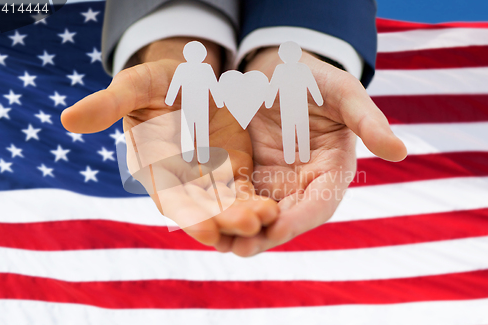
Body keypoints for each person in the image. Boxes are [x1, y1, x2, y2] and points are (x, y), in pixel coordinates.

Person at [61, 0, 407, 257]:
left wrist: (294, 53)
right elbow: (185, 85)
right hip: (194, 109)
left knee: (295, 135)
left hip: (290, 109)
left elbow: (305, 92)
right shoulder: (186, 74)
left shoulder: (295, 73)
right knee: (193, 134)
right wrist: (172, 47)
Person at [165, 41, 223, 163]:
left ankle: (200, 156)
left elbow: (213, 85)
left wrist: (219, 102)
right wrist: (169, 100)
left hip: (200, 105)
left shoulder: (205, 68)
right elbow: (175, 84)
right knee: (190, 130)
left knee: (197, 130)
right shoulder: (184, 68)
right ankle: (189, 156)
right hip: (190, 105)